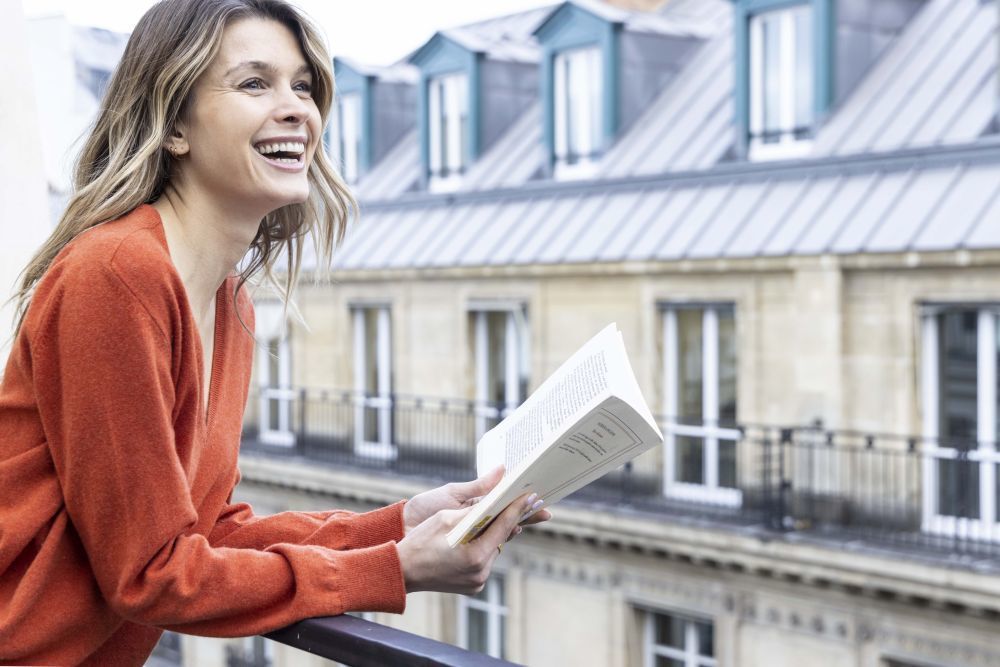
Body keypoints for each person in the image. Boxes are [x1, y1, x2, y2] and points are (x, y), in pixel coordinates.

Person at [0, 1, 550, 664]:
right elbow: (151, 573)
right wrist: (392, 569)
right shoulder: (115, 275)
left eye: (304, 85)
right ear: (174, 125)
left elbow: (209, 532)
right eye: (254, 83)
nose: (297, 109)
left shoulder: (229, 302)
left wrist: (400, 523)